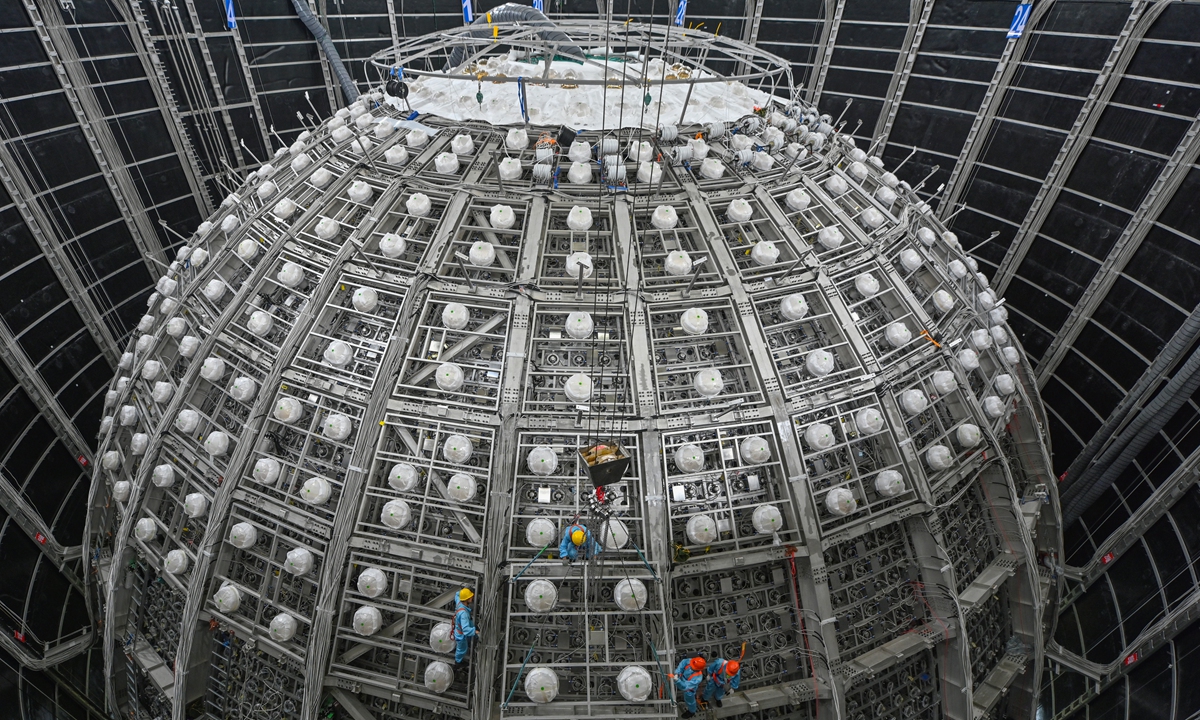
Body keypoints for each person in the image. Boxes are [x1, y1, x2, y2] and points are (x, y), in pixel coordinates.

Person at [453, 587, 475, 663]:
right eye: (470, 597)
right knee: (462, 649)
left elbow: (457, 594)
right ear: (467, 599)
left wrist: (465, 591)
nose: (472, 597)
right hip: (460, 635)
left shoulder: (459, 602)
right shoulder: (464, 614)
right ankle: (457, 662)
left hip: (459, 629)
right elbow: (465, 630)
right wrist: (475, 631)